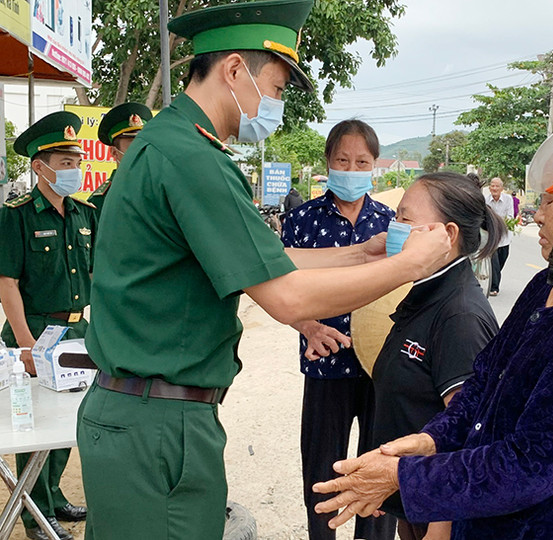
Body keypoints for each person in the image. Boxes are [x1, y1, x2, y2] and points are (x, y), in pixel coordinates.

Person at [76, 2, 451, 539]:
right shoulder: (192, 160)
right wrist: (409, 264)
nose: (275, 105)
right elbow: (288, 297)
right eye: (275, 89)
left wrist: (363, 253)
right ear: (233, 71)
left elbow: (261, 261)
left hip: (147, 414)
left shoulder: (171, 144)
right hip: (156, 421)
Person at [311, 117, 553, 540]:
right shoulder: (550, 283)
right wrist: (431, 440)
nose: (537, 215)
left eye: (551, 203)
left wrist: (407, 477)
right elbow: (485, 385)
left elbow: (532, 464)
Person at [281, 119, 398, 540]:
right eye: (342, 161)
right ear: (328, 163)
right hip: (325, 368)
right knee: (322, 473)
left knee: (379, 475)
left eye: (361, 162)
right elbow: (279, 289)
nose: (351, 169)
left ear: (374, 167)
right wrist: (308, 326)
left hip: (378, 371)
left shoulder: (390, 225)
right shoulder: (301, 221)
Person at [370, 172, 503, 540]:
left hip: (436, 516)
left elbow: (468, 430)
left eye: (406, 219)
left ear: (448, 235)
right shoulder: (428, 293)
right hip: (414, 503)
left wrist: (442, 526)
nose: (394, 227)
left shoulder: (459, 315)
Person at [0, 111, 95, 540]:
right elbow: (7, 283)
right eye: (64, 163)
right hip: (35, 331)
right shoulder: (17, 215)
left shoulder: (84, 212)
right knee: (34, 427)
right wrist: (26, 346)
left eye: (76, 162)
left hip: (77, 333)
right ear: (39, 167)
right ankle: (34, 513)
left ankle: (53, 496)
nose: (73, 170)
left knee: (67, 423)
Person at [87, 102, 153, 214]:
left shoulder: (159, 191)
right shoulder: (100, 201)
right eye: (133, 146)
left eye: (144, 145)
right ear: (114, 152)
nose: (141, 151)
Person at [484, 177, 513, 296]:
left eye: (497, 186)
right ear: (489, 187)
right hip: (492, 237)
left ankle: (494, 277)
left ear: (502, 188)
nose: (494, 188)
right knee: (493, 261)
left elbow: (510, 216)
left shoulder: (508, 199)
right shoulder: (485, 201)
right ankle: (494, 287)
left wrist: (501, 223)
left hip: (504, 237)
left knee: (502, 260)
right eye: (492, 186)